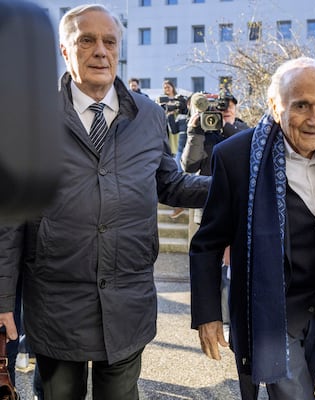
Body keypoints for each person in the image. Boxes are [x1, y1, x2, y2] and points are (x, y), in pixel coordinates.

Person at [0, 4, 210, 399]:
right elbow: (8, 220)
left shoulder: (148, 115)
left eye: (109, 41)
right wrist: (1, 300)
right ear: (65, 50)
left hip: (128, 300)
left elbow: (169, 183)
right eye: (87, 40)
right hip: (56, 303)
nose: (101, 51)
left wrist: (235, 183)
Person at [188, 56, 315, 400]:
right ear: (274, 105)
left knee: (304, 386)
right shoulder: (236, 156)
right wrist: (208, 315)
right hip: (271, 310)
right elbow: (208, 242)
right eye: (301, 106)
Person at [181, 90, 250, 331]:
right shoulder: (204, 131)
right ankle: (212, 317)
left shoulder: (243, 130)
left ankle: (235, 318)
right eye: (222, 107)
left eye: (230, 106)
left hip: (240, 211)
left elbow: (249, 157)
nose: (226, 109)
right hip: (209, 209)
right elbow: (189, 165)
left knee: (236, 265)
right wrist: (195, 132)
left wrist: (227, 128)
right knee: (209, 265)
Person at [160, 79, 190, 219]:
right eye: (164, 87)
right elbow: (173, 129)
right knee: (176, 171)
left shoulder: (187, 113)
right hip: (177, 144)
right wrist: (170, 115)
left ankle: (181, 203)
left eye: (168, 86)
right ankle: (179, 204)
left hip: (186, 145)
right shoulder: (175, 113)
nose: (166, 89)